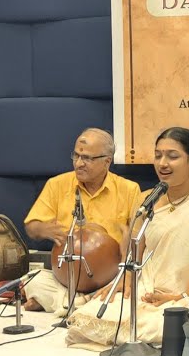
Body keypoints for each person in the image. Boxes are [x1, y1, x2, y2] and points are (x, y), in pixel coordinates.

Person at [65, 127, 189, 350]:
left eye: (172, 156)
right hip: (148, 290)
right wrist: (125, 278)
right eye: (158, 156)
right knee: (89, 316)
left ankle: (140, 335)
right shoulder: (147, 200)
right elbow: (135, 255)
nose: (162, 163)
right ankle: (147, 336)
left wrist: (180, 296)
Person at [22, 128, 142, 314]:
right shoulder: (57, 184)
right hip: (65, 279)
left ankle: (65, 304)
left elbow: (138, 240)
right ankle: (83, 304)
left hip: (109, 278)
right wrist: (43, 229)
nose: (78, 163)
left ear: (107, 161)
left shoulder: (129, 190)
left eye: (87, 158)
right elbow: (31, 226)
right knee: (34, 279)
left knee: (129, 294)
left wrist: (126, 269)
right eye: (76, 156)